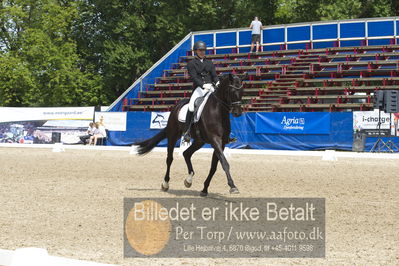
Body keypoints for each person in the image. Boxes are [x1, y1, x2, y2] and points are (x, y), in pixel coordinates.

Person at [184, 41, 220, 142]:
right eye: (200, 50)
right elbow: (194, 77)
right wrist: (203, 85)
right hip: (199, 88)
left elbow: (214, 76)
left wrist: (217, 82)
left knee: (221, 104)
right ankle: (186, 131)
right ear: (195, 51)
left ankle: (226, 132)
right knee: (191, 106)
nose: (202, 52)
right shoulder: (191, 64)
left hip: (211, 87)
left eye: (203, 50)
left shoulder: (209, 63)